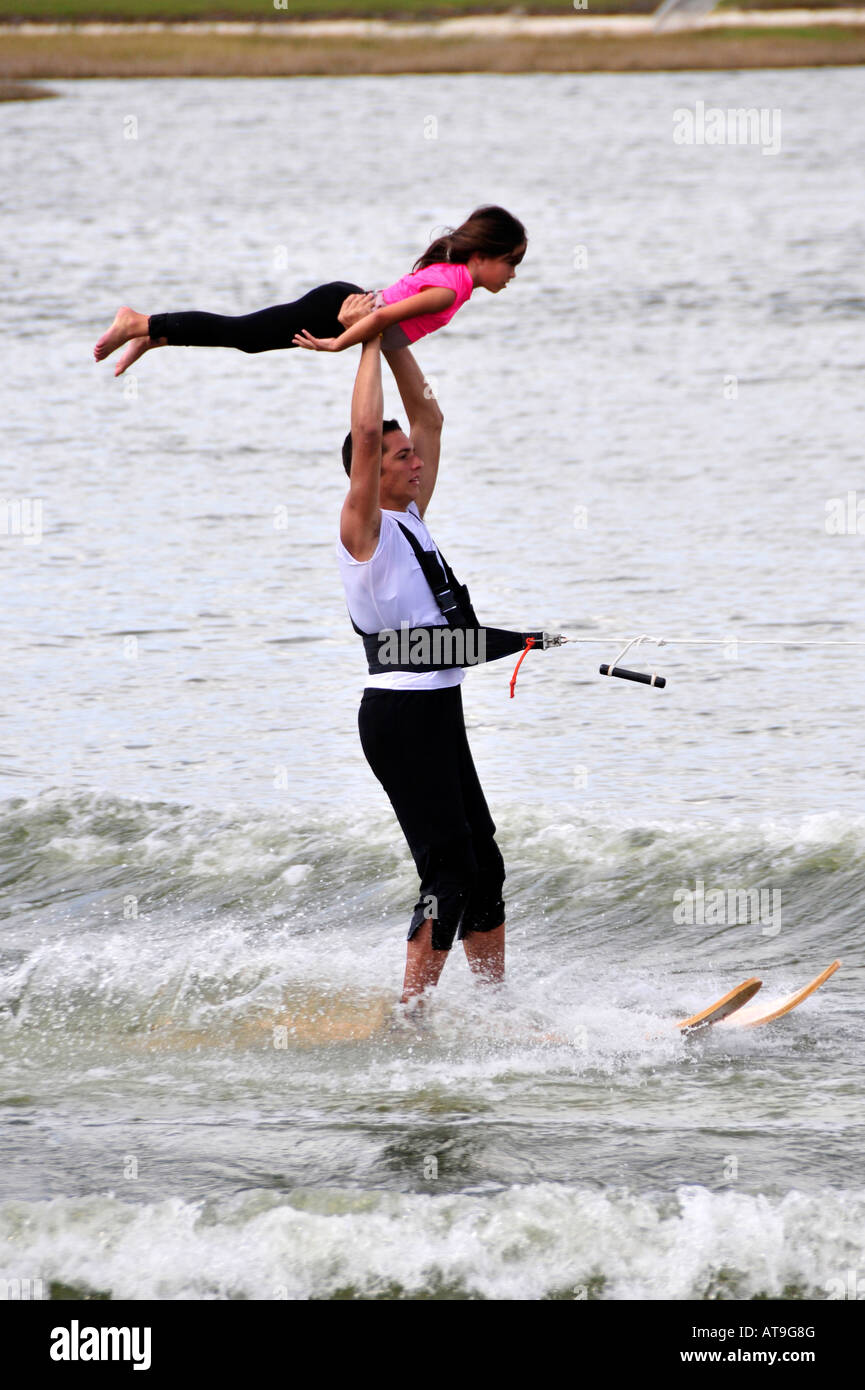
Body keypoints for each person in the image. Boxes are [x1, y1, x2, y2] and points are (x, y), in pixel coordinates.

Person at [337, 315, 506, 1009]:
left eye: (413, 455)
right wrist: (368, 342)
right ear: (368, 469)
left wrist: (397, 333)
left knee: (484, 863)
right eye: (398, 455)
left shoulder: (412, 516)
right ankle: (411, 1017)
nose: (415, 461)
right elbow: (370, 428)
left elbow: (429, 415)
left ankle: (498, 1009)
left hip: (438, 703)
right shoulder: (364, 528)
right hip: (400, 715)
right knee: (448, 869)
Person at [93, 205, 526, 377]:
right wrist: (337, 344)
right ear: (484, 255)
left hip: (341, 302)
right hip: (335, 309)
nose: (512, 275)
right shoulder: (451, 290)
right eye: (511, 262)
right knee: (244, 335)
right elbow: (379, 318)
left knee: (247, 338)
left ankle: (154, 336)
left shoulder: (457, 281)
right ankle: (140, 322)